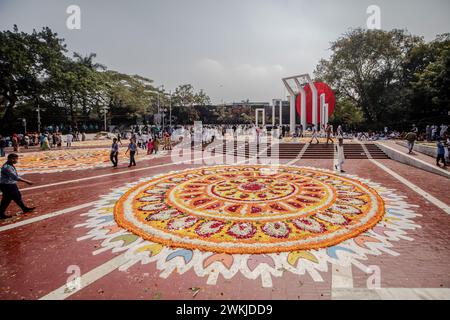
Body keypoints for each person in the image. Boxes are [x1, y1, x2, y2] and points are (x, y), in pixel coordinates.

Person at [0, 153, 35, 219]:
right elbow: (15, 177)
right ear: (11, 159)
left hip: (9, 184)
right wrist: (27, 181)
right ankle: (1, 213)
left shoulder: (10, 165)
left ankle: (24, 208)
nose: (17, 160)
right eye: (16, 159)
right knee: (8, 199)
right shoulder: (7, 167)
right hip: (7, 185)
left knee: (15, 197)